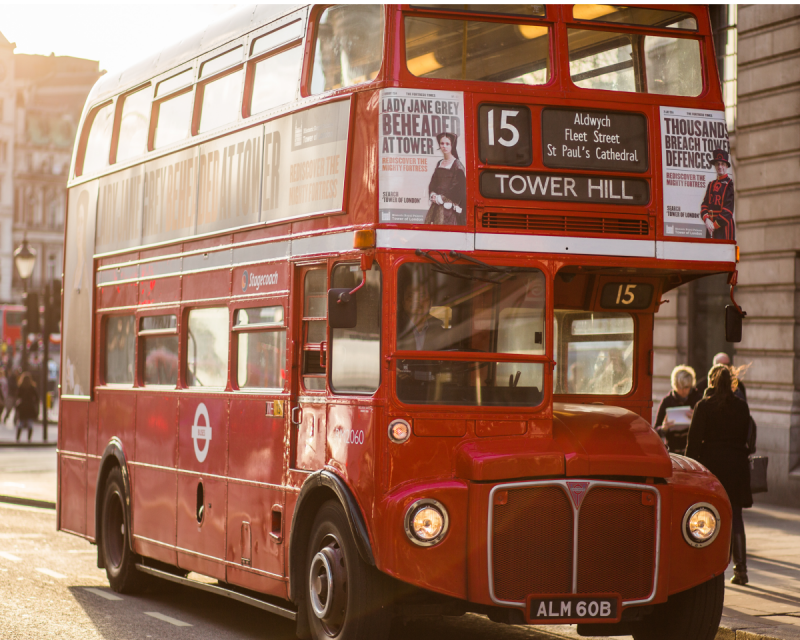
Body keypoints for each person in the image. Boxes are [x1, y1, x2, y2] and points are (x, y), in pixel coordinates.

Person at [686, 364, 752, 585]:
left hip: (712, 467)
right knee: (736, 516)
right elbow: (748, 437)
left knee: (707, 515)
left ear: (711, 382)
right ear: (732, 382)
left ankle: (708, 570)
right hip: (736, 466)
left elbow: (693, 442)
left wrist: (690, 470)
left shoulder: (704, 406)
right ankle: (741, 570)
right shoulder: (741, 407)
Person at [654, 365, 703, 454]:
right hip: (673, 451)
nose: (683, 391)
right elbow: (655, 431)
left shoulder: (698, 400)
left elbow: (708, 428)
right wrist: (664, 429)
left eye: (686, 387)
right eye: (680, 387)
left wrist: (696, 419)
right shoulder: (667, 401)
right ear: (674, 385)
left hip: (694, 451)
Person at [424, 132, 467, 226]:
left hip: (449, 210)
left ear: (452, 145)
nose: (444, 146)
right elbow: (433, 182)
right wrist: (433, 194)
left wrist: (441, 198)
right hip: (436, 205)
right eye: (442, 143)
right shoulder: (439, 163)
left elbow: (458, 189)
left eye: (447, 144)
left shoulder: (457, 165)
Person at [397, 281, 450, 351]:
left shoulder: (441, 331)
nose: (417, 301)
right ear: (404, 304)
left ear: (431, 303)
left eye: (422, 296)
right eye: (411, 296)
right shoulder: (397, 331)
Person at [700, 149, 735, 240]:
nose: (720, 166)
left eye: (722, 164)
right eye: (717, 164)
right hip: (710, 226)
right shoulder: (711, 184)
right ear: (715, 166)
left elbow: (728, 211)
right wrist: (707, 220)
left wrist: (714, 226)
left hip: (724, 227)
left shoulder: (730, 184)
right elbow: (704, 205)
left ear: (727, 166)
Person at [15, 372, 39, 443]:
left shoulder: (20, 387)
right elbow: (37, 398)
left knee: (20, 423)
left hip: (23, 407)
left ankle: (18, 438)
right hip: (30, 407)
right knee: (30, 424)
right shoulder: (32, 387)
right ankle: (29, 439)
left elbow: (17, 396)